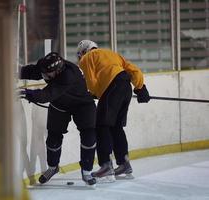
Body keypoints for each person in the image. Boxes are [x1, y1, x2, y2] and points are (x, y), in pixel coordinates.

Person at [76, 40, 150, 182]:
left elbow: (91, 82)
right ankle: (124, 163)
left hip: (112, 88)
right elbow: (134, 70)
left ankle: (106, 165)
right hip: (125, 86)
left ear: (84, 51)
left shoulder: (87, 58)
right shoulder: (112, 54)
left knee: (101, 126)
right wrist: (140, 88)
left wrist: (95, 94)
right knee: (116, 127)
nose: (80, 58)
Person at [19, 52, 97, 186]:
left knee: (89, 135)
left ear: (58, 71)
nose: (45, 77)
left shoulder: (69, 74)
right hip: (60, 103)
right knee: (53, 136)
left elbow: (48, 94)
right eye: (44, 74)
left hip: (82, 104)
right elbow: (33, 71)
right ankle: (53, 167)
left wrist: (29, 93)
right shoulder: (47, 66)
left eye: (48, 75)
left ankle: (86, 170)